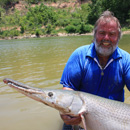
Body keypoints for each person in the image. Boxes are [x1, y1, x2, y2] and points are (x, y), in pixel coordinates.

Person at [60, 10, 130, 130]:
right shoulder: (79, 56)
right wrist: (66, 113)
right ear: (94, 34)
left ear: (118, 36)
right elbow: (68, 89)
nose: (106, 38)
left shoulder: (126, 60)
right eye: (102, 33)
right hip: (80, 119)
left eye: (112, 34)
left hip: (113, 120)